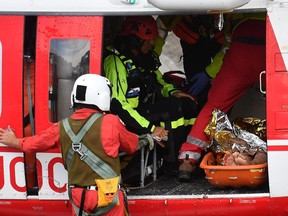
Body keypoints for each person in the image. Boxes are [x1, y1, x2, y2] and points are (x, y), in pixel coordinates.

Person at [0, 74, 151, 216]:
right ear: (104, 97)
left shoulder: (61, 126)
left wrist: (13, 141)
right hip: (107, 193)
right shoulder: (111, 122)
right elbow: (131, 145)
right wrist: (147, 138)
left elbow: (34, 144)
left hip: (79, 196)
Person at [103, 16, 199, 175]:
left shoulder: (143, 59)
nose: (153, 43)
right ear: (135, 41)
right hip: (127, 119)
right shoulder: (115, 62)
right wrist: (152, 129)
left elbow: (159, 81)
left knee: (188, 104)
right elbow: (118, 105)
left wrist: (175, 92)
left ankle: (189, 158)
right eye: (149, 40)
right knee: (172, 108)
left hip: (142, 112)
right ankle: (171, 165)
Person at [177, 13, 266, 182]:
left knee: (213, 108)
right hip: (271, 45)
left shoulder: (234, 11)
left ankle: (188, 159)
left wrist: (208, 73)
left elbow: (227, 45)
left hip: (241, 49)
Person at [156, 14, 226, 108]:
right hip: (194, 47)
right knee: (196, 95)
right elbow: (161, 27)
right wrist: (151, 57)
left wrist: (209, 73)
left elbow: (232, 48)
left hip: (220, 40)